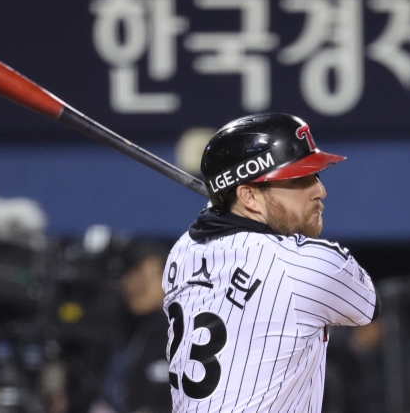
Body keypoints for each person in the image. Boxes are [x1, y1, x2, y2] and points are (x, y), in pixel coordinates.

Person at [162, 113, 380, 413]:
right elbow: (367, 306)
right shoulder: (307, 265)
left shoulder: (183, 251)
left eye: (315, 175)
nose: (320, 191)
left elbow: (223, 221)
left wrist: (229, 201)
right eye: (299, 179)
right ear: (249, 196)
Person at [91, 240, 173, 413]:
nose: (143, 286)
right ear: (123, 279)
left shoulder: (181, 338)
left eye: (153, 277)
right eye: (138, 273)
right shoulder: (100, 330)